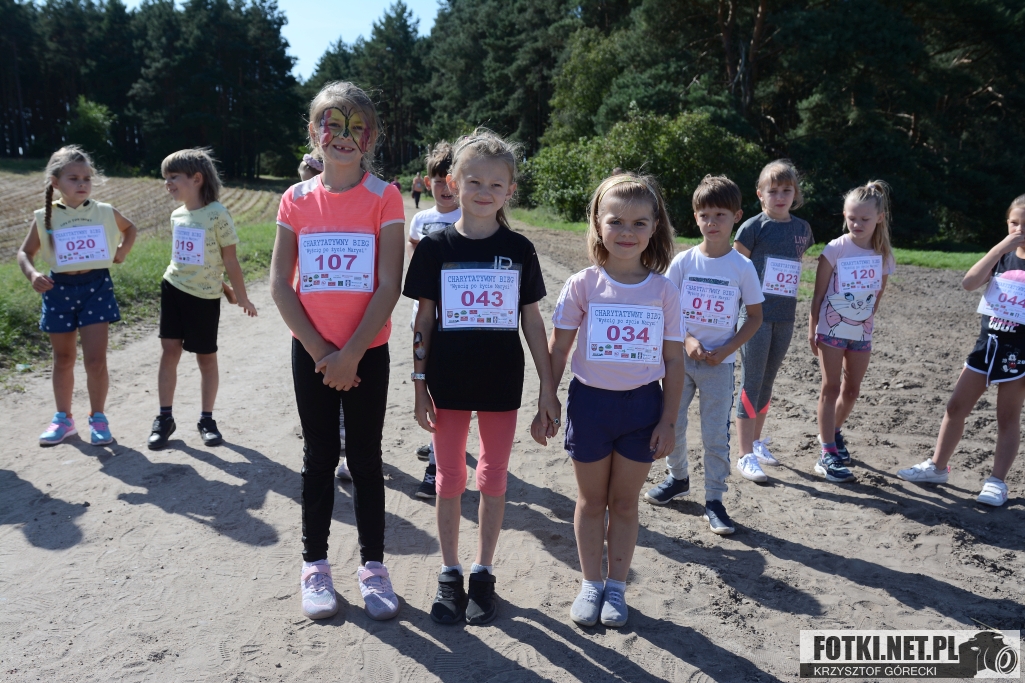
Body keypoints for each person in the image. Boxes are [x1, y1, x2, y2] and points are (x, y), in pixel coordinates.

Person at [404, 128, 559, 626]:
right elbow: (423, 321)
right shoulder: (434, 247)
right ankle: (449, 572)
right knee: (449, 476)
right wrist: (419, 385)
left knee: (492, 475)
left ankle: (483, 572)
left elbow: (532, 322)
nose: (484, 191)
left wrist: (548, 388)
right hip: (447, 382)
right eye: (474, 181)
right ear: (453, 182)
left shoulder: (519, 249)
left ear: (510, 190)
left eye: (496, 184)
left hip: (499, 382)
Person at [270, 81, 405, 622]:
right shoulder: (295, 199)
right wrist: (322, 351)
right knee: (319, 457)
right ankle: (315, 565)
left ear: (371, 137)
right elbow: (281, 284)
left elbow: (389, 283)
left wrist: (351, 354)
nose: (344, 136)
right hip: (312, 353)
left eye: (356, 127)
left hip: (367, 352)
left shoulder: (385, 196)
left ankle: (373, 567)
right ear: (314, 131)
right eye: (333, 124)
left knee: (366, 459)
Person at [547, 173, 684, 628]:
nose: (627, 232)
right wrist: (548, 398)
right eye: (616, 222)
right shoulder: (583, 284)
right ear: (597, 223)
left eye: (639, 223)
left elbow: (674, 360)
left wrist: (668, 421)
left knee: (624, 504)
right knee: (591, 501)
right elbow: (559, 349)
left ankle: (617, 587)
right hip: (591, 406)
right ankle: (591, 583)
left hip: (642, 408)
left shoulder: (664, 291)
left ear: (654, 226)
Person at [645, 175, 763, 535]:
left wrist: (727, 348)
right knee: (673, 423)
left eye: (720, 215)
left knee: (715, 435)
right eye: (705, 215)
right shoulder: (683, 262)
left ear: (736, 217)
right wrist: (687, 339)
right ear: (695, 217)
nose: (712, 223)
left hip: (719, 366)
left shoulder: (742, 267)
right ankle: (678, 478)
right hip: (680, 362)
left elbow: (755, 317)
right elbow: (667, 310)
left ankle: (714, 499)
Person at [897, 195, 1025, 506]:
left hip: (1018, 353)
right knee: (955, 407)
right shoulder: (1001, 257)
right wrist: (999, 249)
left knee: (1007, 417)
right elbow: (969, 283)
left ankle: (997, 482)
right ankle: (937, 467)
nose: (1020, 230)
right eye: (1014, 223)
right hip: (986, 346)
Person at [16, 146, 137, 446]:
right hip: (58, 290)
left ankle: (98, 418)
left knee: (95, 361)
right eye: (73, 178)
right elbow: (25, 253)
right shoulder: (44, 216)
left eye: (86, 178)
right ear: (55, 182)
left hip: (97, 287)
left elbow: (130, 229)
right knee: (63, 358)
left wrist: (122, 252)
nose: (82, 184)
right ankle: (63, 419)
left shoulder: (104, 211)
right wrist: (32, 275)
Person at [147, 149, 258, 451]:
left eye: (173, 177)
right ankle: (164, 418)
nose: (167, 183)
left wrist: (241, 296)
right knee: (169, 351)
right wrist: (224, 285)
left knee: (205, 357)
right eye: (165, 178)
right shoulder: (176, 215)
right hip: (173, 287)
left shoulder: (217, 214)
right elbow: (191, 260)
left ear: (196, 179)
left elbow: (229, 259)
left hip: (203, 299)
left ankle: (207, 420)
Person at [732, 160, 814, 481]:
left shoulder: (803, 229)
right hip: (755, 318)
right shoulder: (752, 227)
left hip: (785, 317)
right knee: (751, 382)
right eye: (773, 190)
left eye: (786, 190)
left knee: (767, 382)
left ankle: (755, 442)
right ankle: (744, 455)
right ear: (760, 194)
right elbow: (735, 271)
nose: (780, 197)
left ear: (795, 193)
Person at [808, 181, 895, 482]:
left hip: (861, 332)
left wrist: (864, 325)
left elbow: (877, 298)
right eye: (851, 218)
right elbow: (818, 295)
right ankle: (827, 452)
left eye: (864, 219)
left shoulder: (884, 255)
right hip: (831, 328)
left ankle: (833, 431)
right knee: (831, 387)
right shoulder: (836, 248)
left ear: (880, 218)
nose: (857, 224)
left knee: (852, 389)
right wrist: (812, 328)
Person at [407, 141, 461, 500]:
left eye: (451, 180)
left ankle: (437, 465)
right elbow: (417, 262)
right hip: (424, 318)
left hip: (457, 322)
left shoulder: (469, 220)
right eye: (438, 180)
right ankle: (438, 444)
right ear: (428, 183)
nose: (445, 187)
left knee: (447, 390)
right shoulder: (420, 220)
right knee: (426, 383)